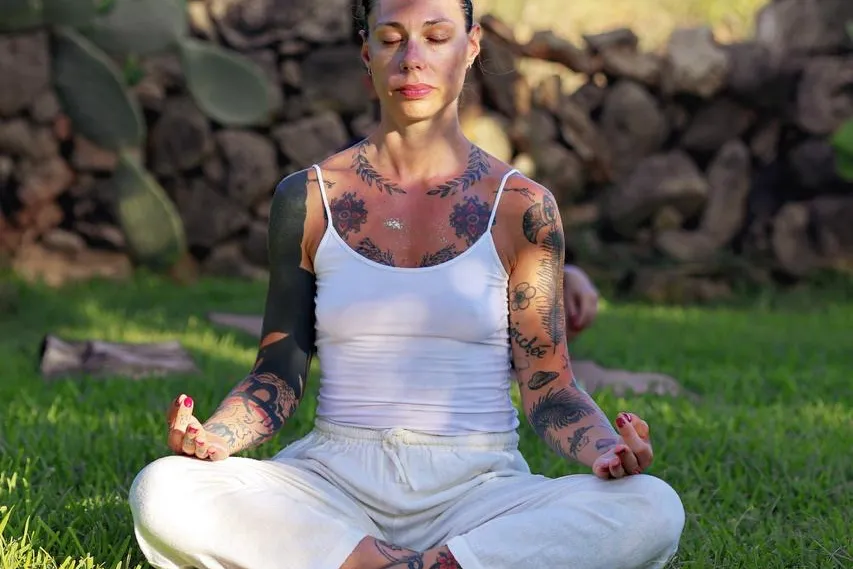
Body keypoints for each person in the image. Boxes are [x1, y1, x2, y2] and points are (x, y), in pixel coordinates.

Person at [127, 1, 685, 568]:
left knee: (652, 506)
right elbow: (277, 374)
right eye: (392, 39)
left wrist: (607, 449)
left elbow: (550, 387)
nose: (412, 59)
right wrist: (216, 435)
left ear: (471, 47)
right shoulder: (307, 198)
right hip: (333, 481)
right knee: (163, 489)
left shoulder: (523, 206)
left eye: (436, 37)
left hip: (480, 489)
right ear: (367, 52)